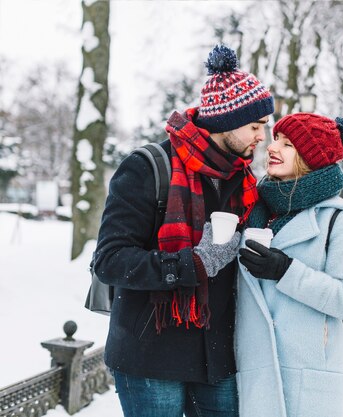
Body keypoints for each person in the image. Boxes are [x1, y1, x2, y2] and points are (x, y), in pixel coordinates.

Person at [92, 45, 274, 417]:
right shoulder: (148, 168)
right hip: (151, 359)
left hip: (218, 358)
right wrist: (192, 263)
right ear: (226, 121)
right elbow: (109, 261)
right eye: (256, 126)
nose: (262, 137)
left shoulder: (243, 180)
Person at [235, 113, 343, 417]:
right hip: (252, 374)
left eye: (288, 144)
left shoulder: (336, 219)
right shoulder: (252, 207)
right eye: (275, 139)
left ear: (310, 158)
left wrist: (286, 271)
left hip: (308, 383)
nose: (272, 147)